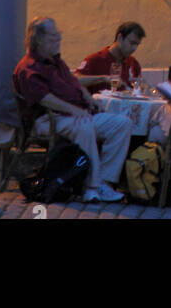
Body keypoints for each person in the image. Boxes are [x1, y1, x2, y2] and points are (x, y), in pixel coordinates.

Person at [13, 16, 132, 203]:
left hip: (74, 113)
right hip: (49, 119)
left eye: (58, 34)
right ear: (39, 39)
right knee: (83, 125)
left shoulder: (55, 61)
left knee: (122, 124)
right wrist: (74, 110)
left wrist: (87, 98)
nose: (59, 39)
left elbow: (73, 81)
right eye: (54, 36)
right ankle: (91, 187)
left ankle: (104, 182)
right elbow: (45, 99)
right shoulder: (29, 68)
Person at [75, 22, 145, 94]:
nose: (134, 48)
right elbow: (74, 80)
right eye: (132, 43)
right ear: (120, 37)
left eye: (137, 45)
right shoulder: (94, 60)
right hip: (101, 104)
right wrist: (102, 78)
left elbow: (139, 90)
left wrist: (141, 87)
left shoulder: (133, 63)